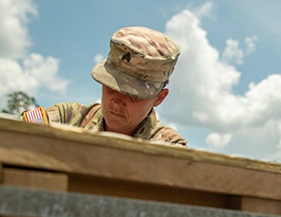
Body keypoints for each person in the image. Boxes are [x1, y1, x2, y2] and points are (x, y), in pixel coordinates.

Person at [22, 26, 187, 145]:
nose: (116, 102)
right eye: (111, 87)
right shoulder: (67, 117)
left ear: (159, 98)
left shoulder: (170, 149)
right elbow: (12, 137)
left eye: (133, 95)